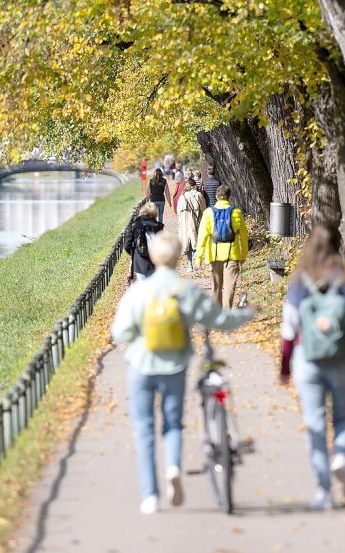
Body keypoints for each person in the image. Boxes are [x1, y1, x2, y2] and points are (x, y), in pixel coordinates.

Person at [111, 233, 253, 514]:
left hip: (141, 365)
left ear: (153, 257)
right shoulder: (185, 290)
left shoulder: (139, 292)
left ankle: (150, 496)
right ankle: (174, 467)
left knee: (144, 428)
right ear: (177, 258)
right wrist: (246, 315)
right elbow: (219, 319)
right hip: (175, 366)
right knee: (173, 424)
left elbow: (120, 332)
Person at [279, 224, 345, 510]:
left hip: (307, 360)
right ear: (338, 245)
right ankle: (341, 458)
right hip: (343, 358)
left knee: (315, 423)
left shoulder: (300, 281)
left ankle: (323, 491)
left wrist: (284, 367)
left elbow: (289, 329)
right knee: (344, 417)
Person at [195, 185, 248, 308]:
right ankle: (227, 314)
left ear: (216, 197)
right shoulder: (236, 212)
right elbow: (244, 236)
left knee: (216, 288)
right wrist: (243, 255)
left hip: (214, 256)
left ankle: (217, 316)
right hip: (232, 255)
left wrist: (198, 258)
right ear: (229, 197)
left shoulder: (208, 213)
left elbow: (202, 236)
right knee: (229, 287)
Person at [124, 202, 164, 280]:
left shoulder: (136, 224)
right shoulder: (158, 226)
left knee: (143, 286)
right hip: (155, 260)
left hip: (140, 262)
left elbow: (127, 245)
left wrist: (135, 253)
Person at [177, 178, 206, 271]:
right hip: (196, 222)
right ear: (194, 185)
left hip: (184, 224)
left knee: (187, 244)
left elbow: (178, 212)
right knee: (196, 242)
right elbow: (204, 210)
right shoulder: (198, 195)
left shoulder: (182, 197)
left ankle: (190, 265)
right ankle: (197, 263)